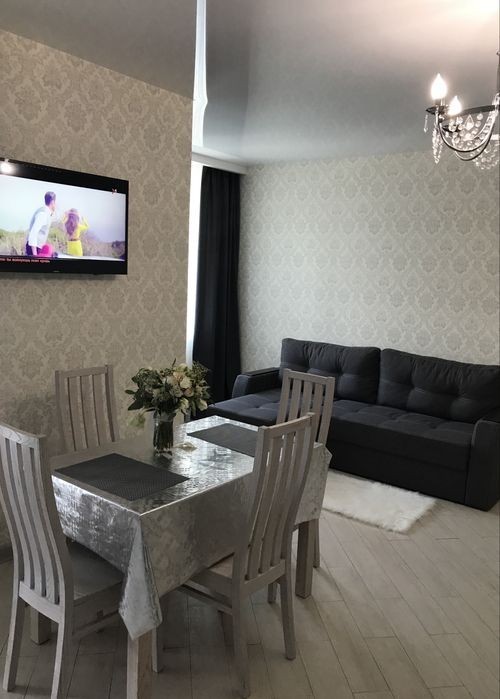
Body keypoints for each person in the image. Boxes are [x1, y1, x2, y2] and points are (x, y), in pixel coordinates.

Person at [26, 191, 57, 256]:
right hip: (34, 249)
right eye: (55, 202)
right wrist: (35, 255)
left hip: (36, 247)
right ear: (52, 202)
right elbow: (33, 233)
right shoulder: (43, 214)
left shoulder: (46, 212)